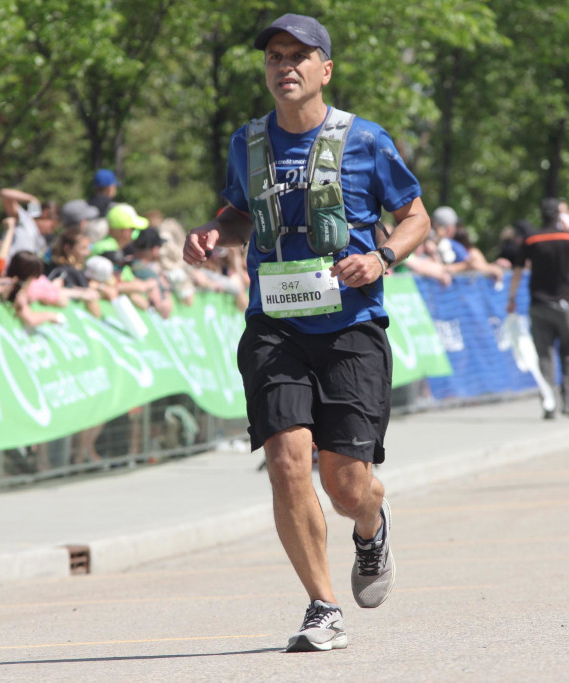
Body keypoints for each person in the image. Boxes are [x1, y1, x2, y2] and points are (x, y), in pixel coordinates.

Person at [183, 13, 429, 653]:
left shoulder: (366, 141)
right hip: (274, 326)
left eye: (299, 56)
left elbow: (414, 217)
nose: (284, 66)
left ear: (325, 69)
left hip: (350, 327)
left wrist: (383, 257)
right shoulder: (248, 143)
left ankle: (371, 525)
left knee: (346, 482)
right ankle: (322, 606)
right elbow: (238, 212)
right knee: (288, 459)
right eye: (274, 57)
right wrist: (215, 233)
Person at [507, 197, 569, 420]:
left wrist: (511, 298)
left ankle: (549, 405)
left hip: (539, 303)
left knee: (544, 355)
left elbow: (518, 271)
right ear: (558, 215)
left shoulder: (531, 240)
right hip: (565, 302)